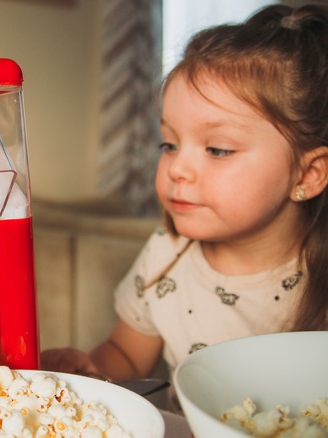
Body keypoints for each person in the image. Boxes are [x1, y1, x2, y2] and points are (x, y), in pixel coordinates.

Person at [42, 3, 328, 407]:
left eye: (217, 149)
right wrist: (90, 368)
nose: (178, 168)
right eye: (170, 144)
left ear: (307, 174)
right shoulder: (166, 251)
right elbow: (126, 353)